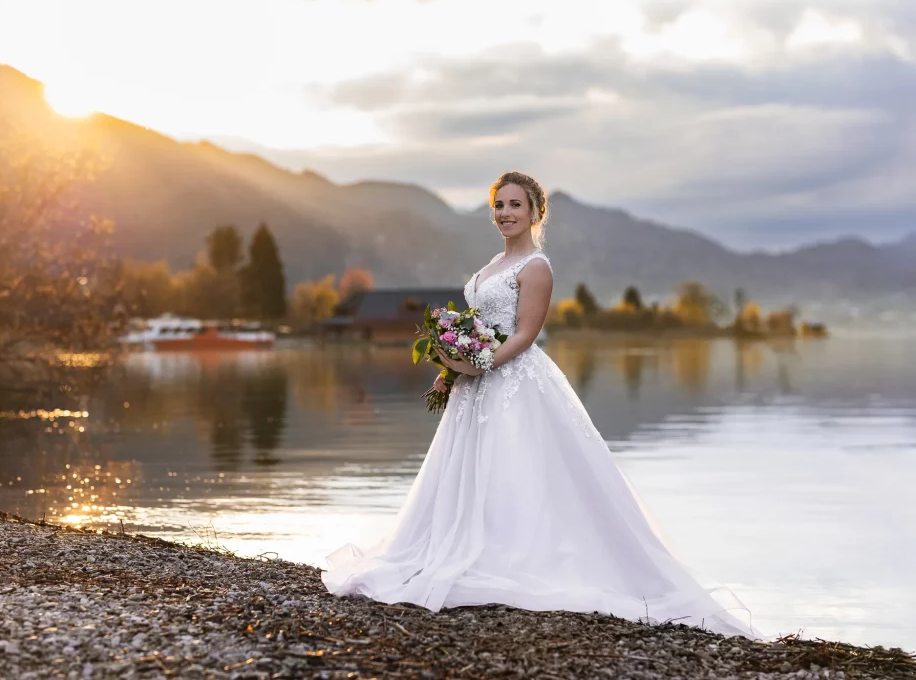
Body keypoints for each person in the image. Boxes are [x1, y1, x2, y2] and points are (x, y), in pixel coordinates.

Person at [321, 171, 758, 638]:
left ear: (535, 212)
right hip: (476, 384)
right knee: (468, 467)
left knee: (518, 467)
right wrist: (452, 367)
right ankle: (460, 547)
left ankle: (517, 558)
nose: (505, 213)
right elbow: (477, 326)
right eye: (499, 205)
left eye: (515, 205)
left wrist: (480, 364)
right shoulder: (491, 265)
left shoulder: (536, 267)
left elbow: (526, 335)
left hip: (514, 381)